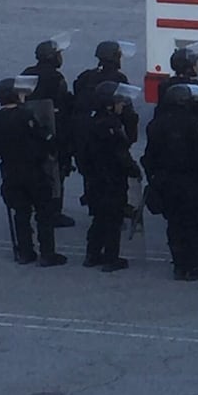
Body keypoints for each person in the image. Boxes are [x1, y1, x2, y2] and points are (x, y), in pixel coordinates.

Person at [0, 76, 65, 266]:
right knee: (44, 213)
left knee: (21, 213)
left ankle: (25, 251)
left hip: (10, 171)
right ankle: (47, 253)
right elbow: (45, 138)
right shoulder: (26, 115)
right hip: (34, 170)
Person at [142, 82, 198, 280]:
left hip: (166, 182)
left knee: (174, 224)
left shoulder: (156, 124)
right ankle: (192, 266)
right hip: (192, 182)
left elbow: (149, 157)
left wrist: (154, 179)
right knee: (194, 225)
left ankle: (178, 264)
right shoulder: (195, 124)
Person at [76, 81, 140, 271]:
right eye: (119, 101)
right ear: (109, 104)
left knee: (99, 219)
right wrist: (133, 169)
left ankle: (92, 254)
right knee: (113, 219)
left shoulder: (90, 122)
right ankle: (111, 258)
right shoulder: (111, 125)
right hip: (112, 180)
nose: (122, 105)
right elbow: (121, 154)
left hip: (95, 180)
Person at [22, 38, 77, 227]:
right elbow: (63, 107)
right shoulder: (56, 78)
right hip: (53, 130)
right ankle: (53, 211)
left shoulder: (27, 74)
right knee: (56, 173)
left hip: (29, 131)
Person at [72, 40, 136, 141]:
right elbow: (127, 109)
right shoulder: (119, 78)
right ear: (115, 58)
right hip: (109, 131)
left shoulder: (86, 76)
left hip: (85, 130)